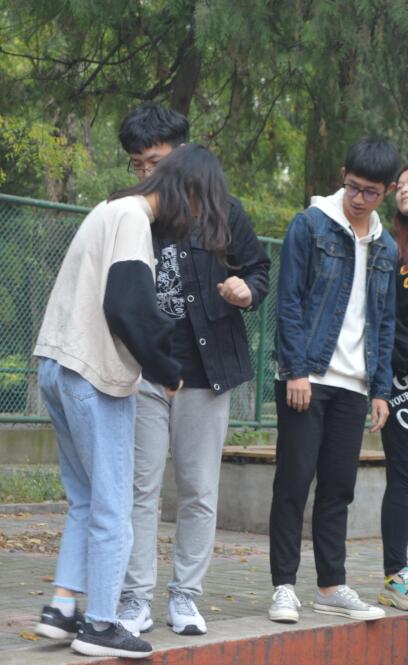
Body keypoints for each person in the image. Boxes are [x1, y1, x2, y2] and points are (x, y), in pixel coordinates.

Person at [33, 144, 229, 658]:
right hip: (92, 374)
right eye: (199, 207)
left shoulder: (108, 209)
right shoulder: (132, 220)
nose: (194, 220)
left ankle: (61, 608)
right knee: (114, 505)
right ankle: (100, 625)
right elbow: (127, 305)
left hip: (57, 363)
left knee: (85, 498)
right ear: (186, 192)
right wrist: (166, 368)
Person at [117, 102, 271, 636]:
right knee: (139, 490)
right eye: (137, 164)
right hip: (142, 372)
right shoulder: (130, 213)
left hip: (206, 374)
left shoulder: (224, 210)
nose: (146, 173)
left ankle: (185, 597)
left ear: (180, 154)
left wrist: (247, 291)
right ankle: (134, 599)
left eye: (154, 162)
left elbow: (259, 269)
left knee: (199, 490)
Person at [269, 136, 400, 624]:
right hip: (308, 377)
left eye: (371, 192)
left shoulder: (386, 246)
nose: (359, 198)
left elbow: (384, 322)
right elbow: (289, 301)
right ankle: (283, 587)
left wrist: (380, 389)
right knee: (294, 481)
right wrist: (297, 370)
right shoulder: (310, 225)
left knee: (338, 488)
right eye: (353, 186)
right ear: (343, 175)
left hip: (355, 384)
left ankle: (330, 586)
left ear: (388, 191)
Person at [378, 166, 408, 611]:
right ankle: (395, 575)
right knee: (403, 474)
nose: (405, 190)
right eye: (401, 184)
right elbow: (385, 318)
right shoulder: (387, 247)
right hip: (400, 378)